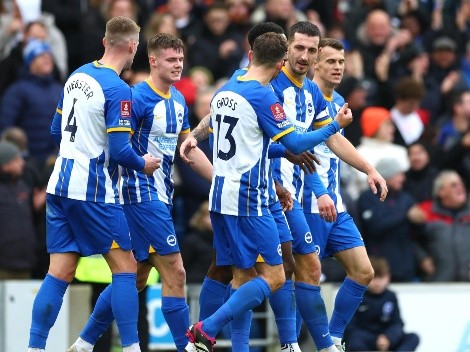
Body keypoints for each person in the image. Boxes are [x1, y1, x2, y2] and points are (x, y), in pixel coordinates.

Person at [185, 31, 352, 352]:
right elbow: (297, 142)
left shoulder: (226, 91)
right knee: (275, 276)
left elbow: (250, 144)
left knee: (238, 272)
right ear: (280, 62)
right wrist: (335, 126)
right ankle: (205, 329)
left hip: (220, 196)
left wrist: (194, 135)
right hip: (250, 199)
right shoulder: (264, 97)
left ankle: (233, 346)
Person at [68, 33, 212, 352]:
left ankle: (84, 342)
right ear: (153, 60)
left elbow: (186, 148)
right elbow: (115, 145)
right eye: (171, 60)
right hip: (138, 194)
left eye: (180, 60)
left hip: (161, 194)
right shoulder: (136, 98)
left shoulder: (177, 101)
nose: (177, 65)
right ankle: (185, 347)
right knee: (176, 270)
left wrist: (218, 181)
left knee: (136, 276)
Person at [27, 16, 160, 352]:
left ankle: (35, 347)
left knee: (59, 272)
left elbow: (56, 131)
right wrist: (143, 163)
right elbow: (119, 150)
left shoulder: (77, 75)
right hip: (93, 189)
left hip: (58, 184)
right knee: (127, 268)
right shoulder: (118, 90)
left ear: (104, 42)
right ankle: (131, 347)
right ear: (132, 47)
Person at [301, 37, 388, 351]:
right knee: (300, 280)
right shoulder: (303, 98)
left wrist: (369, 170)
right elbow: (302, 151)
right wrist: (320, 191)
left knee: (363, 271)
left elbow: (336, 145)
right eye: (331, 62)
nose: (337, 67)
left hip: (334, 204)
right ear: (316, 64)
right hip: (307, 203)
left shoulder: (337, 103)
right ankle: (294, 343)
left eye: (341, 62)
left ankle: (333, 339)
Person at [344, 256, 420, 352]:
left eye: (381, 277)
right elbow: (350, 327)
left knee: (413, 338)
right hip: (365, 339)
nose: (377, 282)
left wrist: (388, 337)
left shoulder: (391, 296)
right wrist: (375, 340)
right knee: (354, 340)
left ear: (388, 277)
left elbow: (397, 323)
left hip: (386, 339)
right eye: (374, 278)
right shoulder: (356, 296)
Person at [411, 170, 470, 281]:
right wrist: (422, 258)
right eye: (453, 185)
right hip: (438, 282)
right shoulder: (425, 211)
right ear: (441, 192)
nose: (460, 187)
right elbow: (411, 239)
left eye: (461, 184)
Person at [0, 141, 43, 279]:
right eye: (16, 159)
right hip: (3, 265)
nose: (22, 163)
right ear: (5, 165)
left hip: (25, 264)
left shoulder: (22, 186)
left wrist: (36, 207)